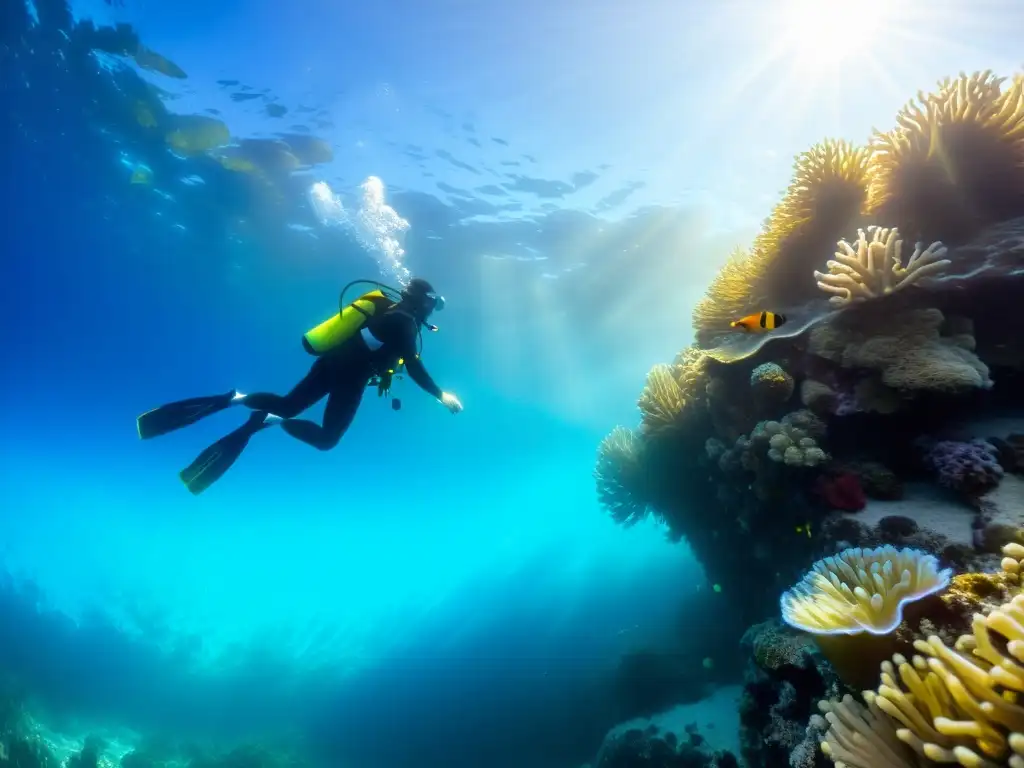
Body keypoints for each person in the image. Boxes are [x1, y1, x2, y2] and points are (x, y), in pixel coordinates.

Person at [137, 278, 463, 495]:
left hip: (328, 365)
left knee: (288, 404)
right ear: (422, 303)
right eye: (432, 305)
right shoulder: (404, 324)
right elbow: (415, 367)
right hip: (350, 381)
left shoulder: (386, 307)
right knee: (327, 439)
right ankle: (269, 420)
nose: (431, 311)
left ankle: (237, 399)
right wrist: (441, 395)